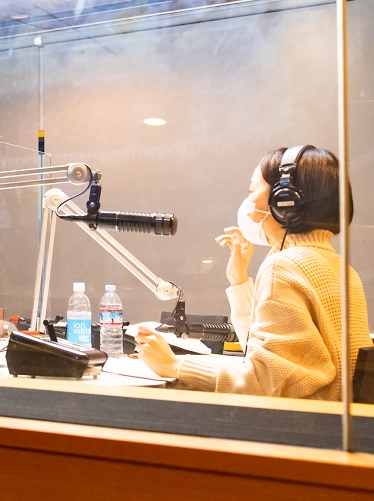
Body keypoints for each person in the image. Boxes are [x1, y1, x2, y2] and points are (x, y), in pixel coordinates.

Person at [135, 145, 371, 400]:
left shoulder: (284, 266)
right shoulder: (340, 268)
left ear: (284, 200)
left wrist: (176, 365)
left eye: (251, 191)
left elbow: (266, 382)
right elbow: (271, 357)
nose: (247, 202)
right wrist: (238, 279)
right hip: (330, 420)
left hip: (305, 422)